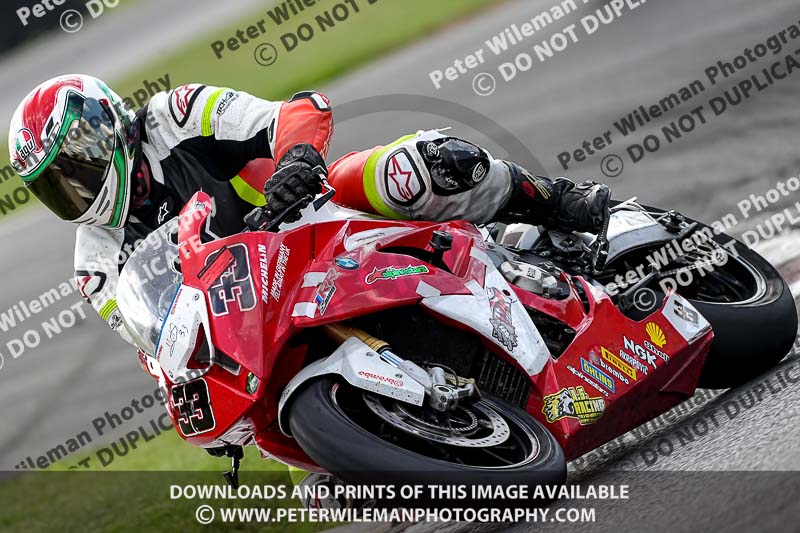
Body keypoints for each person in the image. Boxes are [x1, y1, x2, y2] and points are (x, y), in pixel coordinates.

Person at [7, 74, 609, 492]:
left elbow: (296, 111)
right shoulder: (94, 267)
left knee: (408, 171)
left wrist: (295, 160)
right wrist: (189, 389)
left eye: (73, 167)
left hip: (306, 227)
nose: (75, 189)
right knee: (322, 488)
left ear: (104, 130)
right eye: (55, 186)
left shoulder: (174, 115)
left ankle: (557, 202)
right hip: (249, 326)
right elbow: (153, 343)